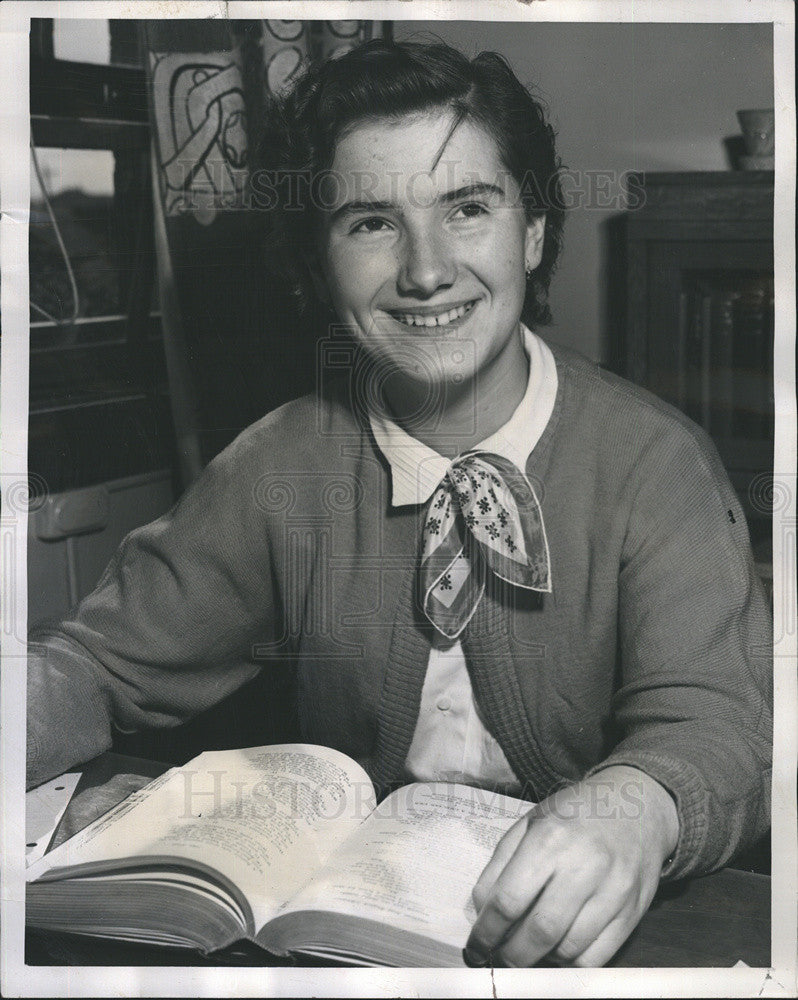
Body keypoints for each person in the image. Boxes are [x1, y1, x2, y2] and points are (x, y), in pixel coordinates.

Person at [27, 39, 772, 968]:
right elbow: (98, 663)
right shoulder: (278, 465)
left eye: (468, 208)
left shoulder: (654, 462)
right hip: (343, 936)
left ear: (533, 231)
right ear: (320, 259)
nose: (426, 271)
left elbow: (715, 723)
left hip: (589, 935)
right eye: (371, 222)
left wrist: (642, 808)